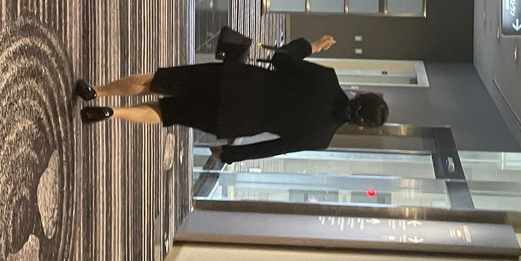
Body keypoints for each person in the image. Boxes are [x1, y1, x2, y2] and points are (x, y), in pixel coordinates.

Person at [74, 36, 390, 164]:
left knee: (158, 82)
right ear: (360, 126)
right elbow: (274, 148)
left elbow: (281, 58)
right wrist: (230, 154)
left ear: (362, 93)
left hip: (236, 81)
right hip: (234, 120)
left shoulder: (327, 80)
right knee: (166, 112)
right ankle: (112, 113)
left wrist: (311, 47)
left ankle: (97, 91)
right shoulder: (321, 138)